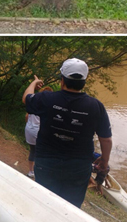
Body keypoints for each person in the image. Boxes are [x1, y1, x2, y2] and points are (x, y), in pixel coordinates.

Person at [22, 58, 113, 208]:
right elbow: (106, 140)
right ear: (84, 81)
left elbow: (26, 99)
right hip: (79, 167)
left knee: (45, 203)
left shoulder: (47, 98)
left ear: (62, 80)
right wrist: (104, 160)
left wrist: (33, 83)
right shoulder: (96, 106)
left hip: (46, 163)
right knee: (71, 208)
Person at [24, 85, 53, 178]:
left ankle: (30, 171)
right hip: (38, 131)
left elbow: (26, 116)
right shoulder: (48, 106)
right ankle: (40, 171)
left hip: (29, 129)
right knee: (42, 152)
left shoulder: (34, 103)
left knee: (32, 151)